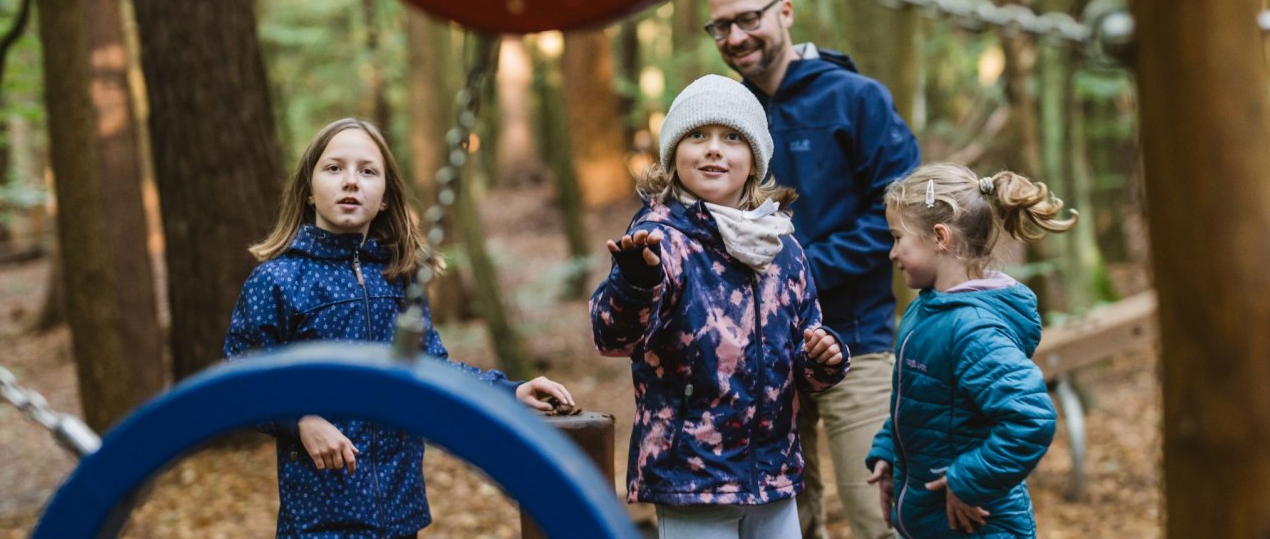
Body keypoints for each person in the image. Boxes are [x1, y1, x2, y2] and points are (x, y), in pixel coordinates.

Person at [224, 117, 573, 538]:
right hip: (320, 519)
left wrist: (509, 391)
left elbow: (430, 371)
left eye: (367, 171)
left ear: (386, 197)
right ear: (308, 191)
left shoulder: (399, 278)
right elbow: (241, 379)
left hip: (400, 512)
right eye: (334, 168)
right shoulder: (278, 280)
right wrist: (300, 420)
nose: (350, 181)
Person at [707, 0, 921, 539]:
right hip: (761, 356)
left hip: (858, 339)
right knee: (783, 524)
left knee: (880, 516)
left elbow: (898, 218)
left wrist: (794, 273)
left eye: (748, 19)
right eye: (721, 27)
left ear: (785, 12)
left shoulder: (856, 99)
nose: (735, 37)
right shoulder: (727, 115)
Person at [591, 75, 850, 539]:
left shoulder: (782, 248)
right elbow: (613, 337)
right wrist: (635, 283)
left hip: (773, 475)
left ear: (753, 161)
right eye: (697, 136)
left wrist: (824, 358)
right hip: (692, 476)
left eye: (731, 137)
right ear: (673, 156)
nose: (714, 149)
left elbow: (804, 359)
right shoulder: (660, 239)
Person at [865, 163, 1073, 538]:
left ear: (940, 237)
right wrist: (888, 451)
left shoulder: (973, 328)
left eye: (898, 238)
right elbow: (919, 398)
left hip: (979, 527)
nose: (892, 253)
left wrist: (968, 481)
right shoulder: (926, 310)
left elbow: (1031, 418)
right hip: (933, 523)